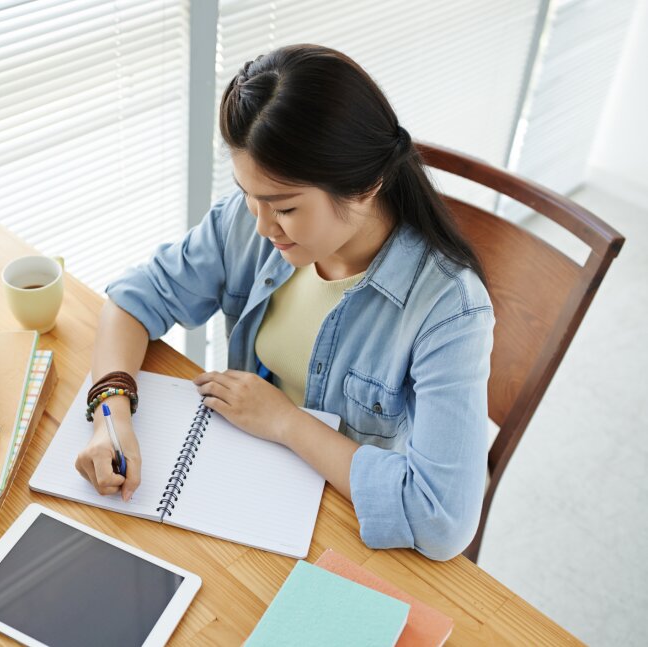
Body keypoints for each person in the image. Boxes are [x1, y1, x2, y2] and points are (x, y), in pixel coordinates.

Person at [74, 44, 494, 561]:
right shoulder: (250, 221)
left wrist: (285, 422)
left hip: (348, 526)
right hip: (244, 491)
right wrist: (111, 417)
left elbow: (441, 520)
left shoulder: (449, 310)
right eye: (249, 195)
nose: (260, 226)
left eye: (286, 208)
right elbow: (136, 298)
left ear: (364, 187)